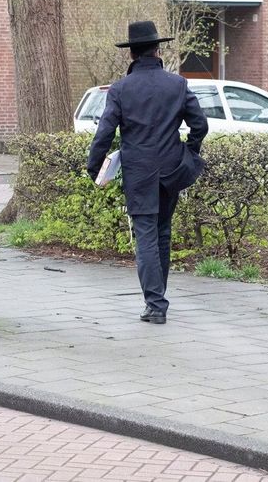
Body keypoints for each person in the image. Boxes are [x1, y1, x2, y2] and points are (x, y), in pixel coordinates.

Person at [87, 21, 209, 325]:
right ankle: (158, 298)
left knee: (146, 237)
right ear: (158, 50)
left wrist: (95, 167)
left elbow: (104, 133)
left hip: (139, 173)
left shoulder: (120, 89)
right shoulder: (177, 84)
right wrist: (189, 151)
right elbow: (200, 125)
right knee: (162, 233)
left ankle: (155, 305)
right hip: (171, 170)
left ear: (132, 55)